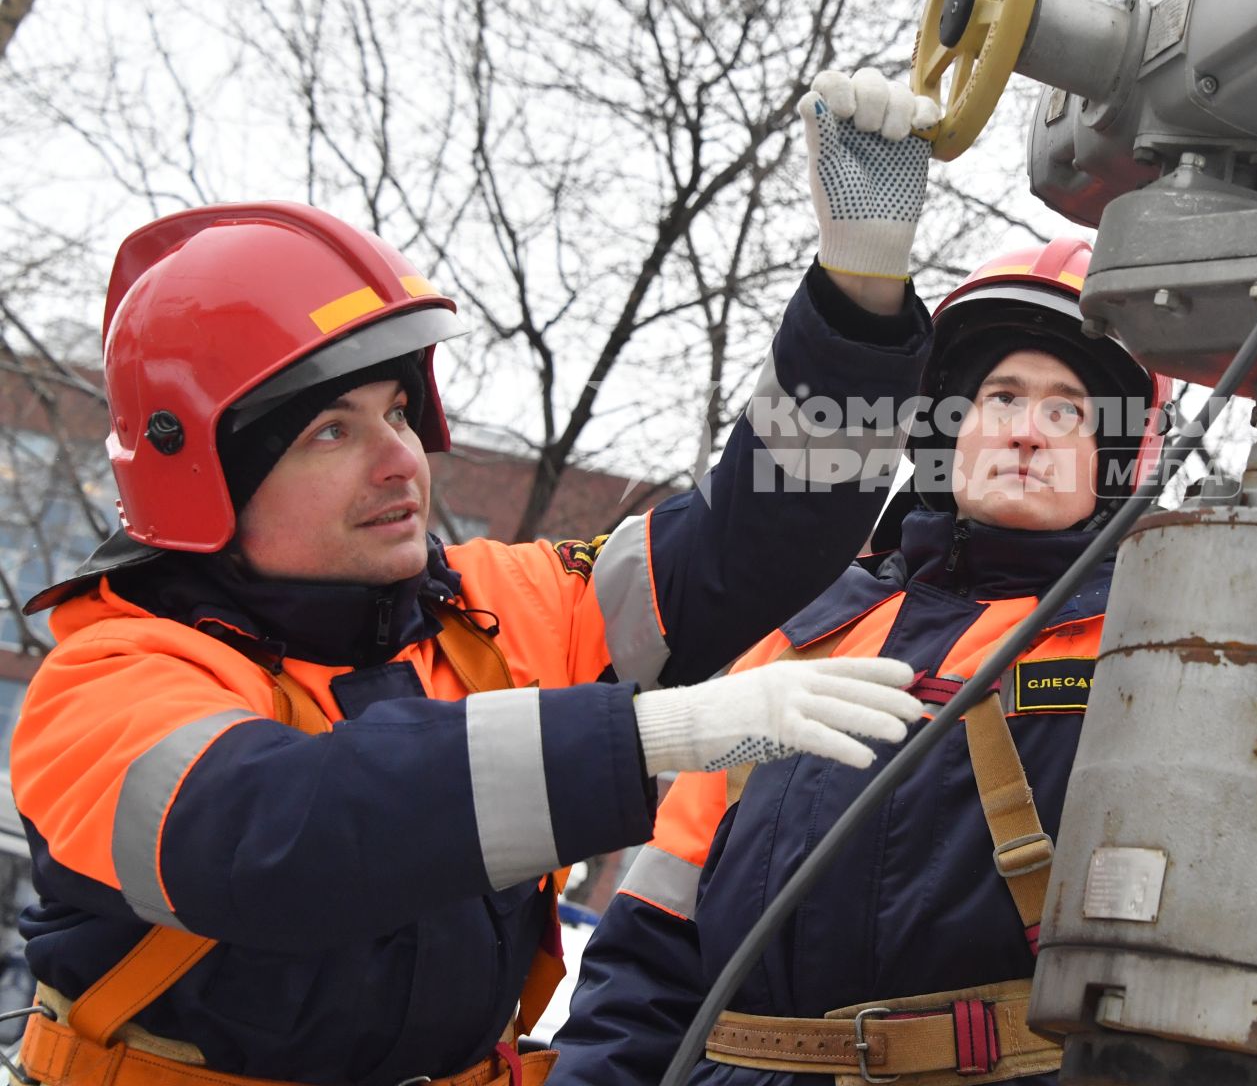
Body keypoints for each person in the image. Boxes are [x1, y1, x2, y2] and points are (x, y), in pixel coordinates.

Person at [7, 70, 945, 1086]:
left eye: (400, 414)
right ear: (206, 472)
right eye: (333, 430)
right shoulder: (105, 682)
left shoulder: (493, 608)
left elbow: (744, 546)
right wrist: (650, 733)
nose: (399, 460)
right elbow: (276, 832)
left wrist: (857, 296)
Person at [549, 234, 1173, 1086]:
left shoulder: (1155, 652)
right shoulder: (797, 631)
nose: (1027, 431)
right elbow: (657, 930)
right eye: (1002, 397)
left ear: (1114, 456)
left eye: (1068, 408)